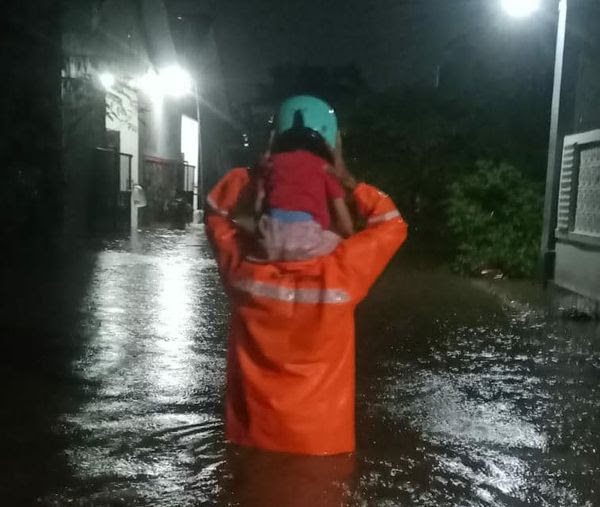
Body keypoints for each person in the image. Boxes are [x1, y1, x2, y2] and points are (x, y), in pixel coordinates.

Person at [205, 97, 408, 455]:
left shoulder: (242, 270)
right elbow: (391, 224)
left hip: (250, 441)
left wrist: (252, 174)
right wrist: (348, 181)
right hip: (321, 445)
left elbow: (215, 212)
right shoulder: (343, 273)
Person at [251, 96, 354, 261]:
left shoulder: (270, 165)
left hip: (269, 244)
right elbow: (346, 226)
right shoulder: (325, 169)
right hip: (310, 247)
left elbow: (257, 207)